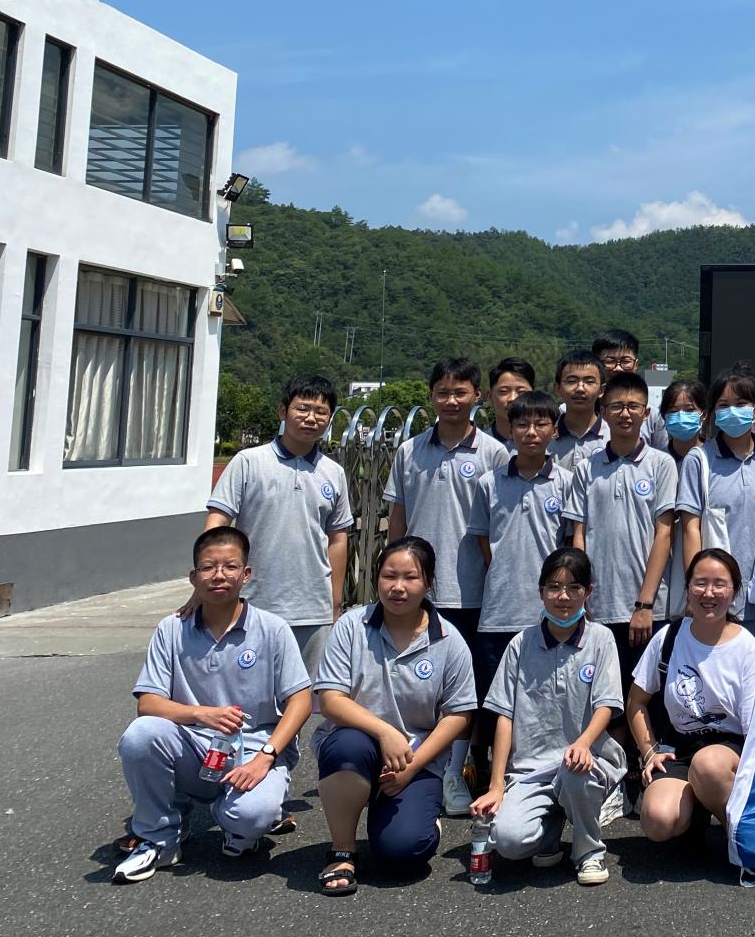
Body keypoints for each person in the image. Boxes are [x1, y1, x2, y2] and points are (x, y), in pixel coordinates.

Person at [113, 528, 312, 882]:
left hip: (253, 751)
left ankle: (239, 820)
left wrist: (266, 755)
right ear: (194, 577)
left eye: (230, 566)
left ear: (246, 574)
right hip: (193, 748)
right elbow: (148, 703)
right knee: (140, 735)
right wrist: (200, 713)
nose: (219, 575)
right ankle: (159, 838)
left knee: (252, 816)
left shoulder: (273, 629)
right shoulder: (171, 629)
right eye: (208, 567)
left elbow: (301, 699)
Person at [311, 537, 476, 896]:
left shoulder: (449, 641)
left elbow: (458, 715)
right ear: (377, 578)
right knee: (346, 746)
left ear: (428, 582)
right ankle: (342, 850)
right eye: (389, 576)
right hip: (358, 745)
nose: (397, 587)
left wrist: (412, 767)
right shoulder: (352, 626)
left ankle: (418, 813)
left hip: (416, 758)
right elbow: (331, 701)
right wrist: (385, 732)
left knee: (403, 852)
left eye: (410, 577)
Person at [382, 356, 505, 813]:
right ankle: (418, 765)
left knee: (463, 689)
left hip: (473, 591)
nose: (451, 401)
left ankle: (455, 771)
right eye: (443, 392)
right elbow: (398, 516)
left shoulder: (494, 453)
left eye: (460, 392)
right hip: (419, 592)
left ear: (478, 396)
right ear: (431, 396)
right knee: (420, 684)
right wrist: (392, 574)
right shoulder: (409, 451)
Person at [470, 547, 627, 888]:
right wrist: (496, 785)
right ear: (541, 591)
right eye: (554, 587)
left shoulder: (601, 640)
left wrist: (583, 743)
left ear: (588, 592)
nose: (563, 596)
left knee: (575, 772)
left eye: (574, 587)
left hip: (585, 760)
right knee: (508, 842)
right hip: (531, 768)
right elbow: (504, 715)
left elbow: (606, 704)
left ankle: (588, 851)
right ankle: (550, 831)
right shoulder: (520, 644)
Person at [565, 370, 679, 806]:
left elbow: (664, 533)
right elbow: (578, 534)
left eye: (633, 406)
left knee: (647, 695)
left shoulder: (662, 464)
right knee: (604, 697)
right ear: (603, 411)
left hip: (646, 607)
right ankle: (614, 780)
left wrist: (644, 602)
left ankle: (651, 776)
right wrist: (583, 594)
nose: (625, 413)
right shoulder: (586, 467)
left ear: (646, 413)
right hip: (598, 605)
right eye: (616, 406)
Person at [203, 374, 352, 675]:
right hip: (252, 601)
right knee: (247, 686)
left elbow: (338, 539)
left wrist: (335, 603)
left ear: (329, 419)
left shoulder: (334, 473)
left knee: (306, 692)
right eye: (303, 408)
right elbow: (219, 520)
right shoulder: (248, 462)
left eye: (321, 412)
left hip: (312, 608)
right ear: (283, 411)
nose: (311, 418)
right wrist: (207, 578)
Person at [626, 548, 755, 846]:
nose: (708, 593)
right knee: (658, 821)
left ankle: (743, 839)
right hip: (681, 747)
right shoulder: (669, 637)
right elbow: (636, 702)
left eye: (719, 584)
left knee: (708, 765)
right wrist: (649, 753)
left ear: (734, 591)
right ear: (687, 588)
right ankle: (698, 809)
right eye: (700, 583)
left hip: (729, 752)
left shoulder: (747, 647)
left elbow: (754, 729)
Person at [475, 389, 571, 784]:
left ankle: (544, 773)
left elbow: (568, 543)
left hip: (548, 613)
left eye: (540, 424)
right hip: (499, 610)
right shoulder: (488, 482)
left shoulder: (566, 481)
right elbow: (484, 541)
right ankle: (488, 773)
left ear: (554, 430)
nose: (531, 432)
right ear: (509, 429)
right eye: (522, 424)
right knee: (497, 700)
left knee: (545, 697)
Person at [678, 370, 755, 628]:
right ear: (712, 412)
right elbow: (691, 529)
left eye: (741, 403)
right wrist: (695, 591)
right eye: (723, 405)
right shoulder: (699, 459)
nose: (732, 411)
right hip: (717, 600)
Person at [657, 377, 710, 612]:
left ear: (703, 414)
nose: (681, 417)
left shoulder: (711, 459)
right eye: (673, 411)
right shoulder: (656, 462)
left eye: (689, 410)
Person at [594, 329, 669, 450]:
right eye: (610, 361)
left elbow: (661, 454)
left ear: (636, 364)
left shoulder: (653, 416)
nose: (618, 368)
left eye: (625, 361)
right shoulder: (573, 411)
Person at [552, 351, 610, 478]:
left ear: (601, 390)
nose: (580, 388)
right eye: (572, 381)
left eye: (589, 381)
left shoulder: (612, 437)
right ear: (557, 388)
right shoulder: (544, 438)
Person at [487, 357, 539, 445]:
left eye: (521, 392)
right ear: (490, 397)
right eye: (504, 391)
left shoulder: (548, 445)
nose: (513, 398)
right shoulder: (479, 445)